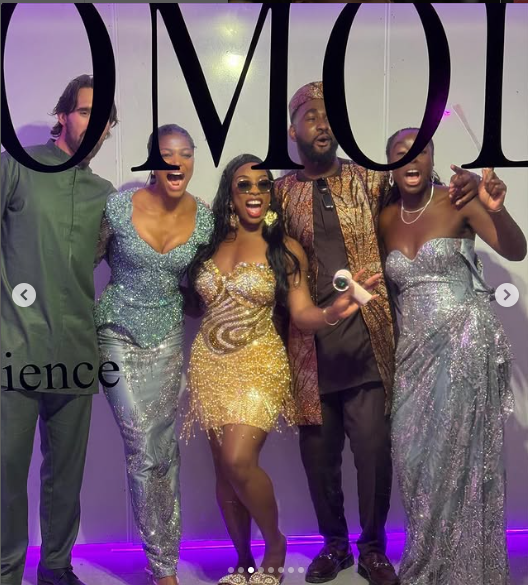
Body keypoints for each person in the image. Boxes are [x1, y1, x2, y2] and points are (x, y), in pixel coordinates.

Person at [273, 81, 480, 585]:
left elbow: (418, 189)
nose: (323, 124)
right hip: (309, 350)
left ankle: (371, 548)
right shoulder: (279, 193)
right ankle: (334, 546)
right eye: (311, 116)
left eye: (330, 116)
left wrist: (470, 188)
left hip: (369, 345)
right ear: (293, 130)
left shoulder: (370, 179)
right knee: (319, 460)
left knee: (372, 456)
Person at [182, 153, 381, 585]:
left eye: (263, 184)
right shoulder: (209, 245)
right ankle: (243, 561)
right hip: (208, 364)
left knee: (237, 460)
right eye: (244, 184)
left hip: (260, 363)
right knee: (223, 472)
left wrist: (334, 311)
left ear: (272, 194)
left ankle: (275, 544)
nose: (255, 191)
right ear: (230, 193)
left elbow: (303, 313)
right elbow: (194, 305)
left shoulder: (284, 248)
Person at [380, 127, 526, 585]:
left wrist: (496, 209)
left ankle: (461, 572)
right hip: (413, 355)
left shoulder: (458, 200)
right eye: (400, 152)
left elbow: (515, 249)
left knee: (460, 459)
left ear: (432, 159)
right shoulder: (384, 218)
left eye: (420, 151)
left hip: (465, 343)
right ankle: (429, 561)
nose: (411, 159)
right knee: (413, 460)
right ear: (389, 164)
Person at [1, 74, 118, 585]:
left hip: (75, 351)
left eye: (104, 117)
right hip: (15, 347)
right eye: (86, 111)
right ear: (63, 115)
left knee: (66, 474)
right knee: (7, 472)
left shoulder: (105, 194)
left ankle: (55, 567)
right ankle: (6, 571)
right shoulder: (16, 164)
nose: (94, 124)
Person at [93, 124, 214, 585]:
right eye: (167, 154)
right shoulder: (118, 208)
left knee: (163, 450)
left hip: (167, 339)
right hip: (115, 335)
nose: (177, 162)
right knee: (142, 445)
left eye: (186, 153)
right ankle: (162, 569)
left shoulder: (205, 219)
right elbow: (80, 265)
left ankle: (166, 558)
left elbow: (203, 283)